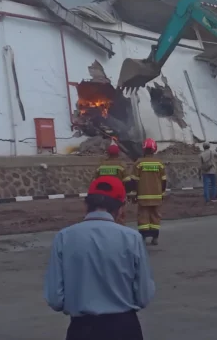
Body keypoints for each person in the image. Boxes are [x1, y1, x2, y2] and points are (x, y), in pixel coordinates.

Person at [44, 175, 155, 340]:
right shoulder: (131, 238)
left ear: (87, 204)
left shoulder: (64, 237)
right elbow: (143, 296)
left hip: (82, 330)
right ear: (121, 207)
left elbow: (55, 299)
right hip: (124, 329)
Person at [130, 138, 167, 245]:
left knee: (143, 216)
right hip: (157, 195)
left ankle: (143, 237)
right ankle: (155, 238)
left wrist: (133, 194)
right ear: (155, 149)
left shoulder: (139, 163)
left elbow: (134, 181)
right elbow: (164, 180)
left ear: (144, 149)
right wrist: (162, 193)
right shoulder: (159, 164)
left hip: (143, 195)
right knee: (155, 215)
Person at [95, 143, 132, 225]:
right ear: (118, 153)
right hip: (118, 196)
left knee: (105, 216)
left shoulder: (101, 165)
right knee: (119, 216)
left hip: (104, 196)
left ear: (108, 153)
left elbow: (95, 181)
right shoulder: (121, 165)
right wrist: (127, 195)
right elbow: (127, 181)